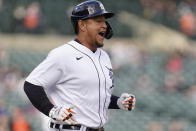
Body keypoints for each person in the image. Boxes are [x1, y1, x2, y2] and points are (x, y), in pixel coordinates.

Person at [23, 0, 136, 131]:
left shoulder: (104, 56)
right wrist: (52, 110)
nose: (104, 25)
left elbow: (93, 95)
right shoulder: (63, 54)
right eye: (98, 21)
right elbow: (31, 85)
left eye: (104, 21)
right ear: (82, 25)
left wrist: (118, 102)